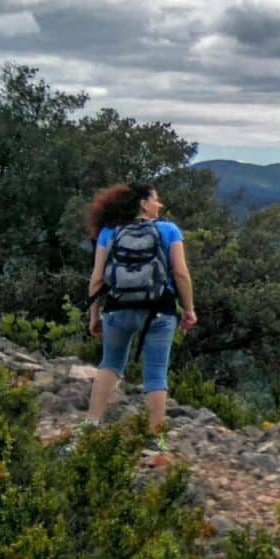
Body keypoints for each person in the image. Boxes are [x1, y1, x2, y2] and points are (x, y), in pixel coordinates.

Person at [85, 182, 197, 435]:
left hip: (116, 308)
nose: (160, 204)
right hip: (159, 310)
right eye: (156, 199)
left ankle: (90, 426)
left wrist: (94, 315)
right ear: (143, 204)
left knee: (110, 364)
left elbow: (97, 278)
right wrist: (189, 309)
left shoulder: (109, 232)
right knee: (156, 374)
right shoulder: (169, 230)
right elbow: (180, 272)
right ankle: (155, 439)